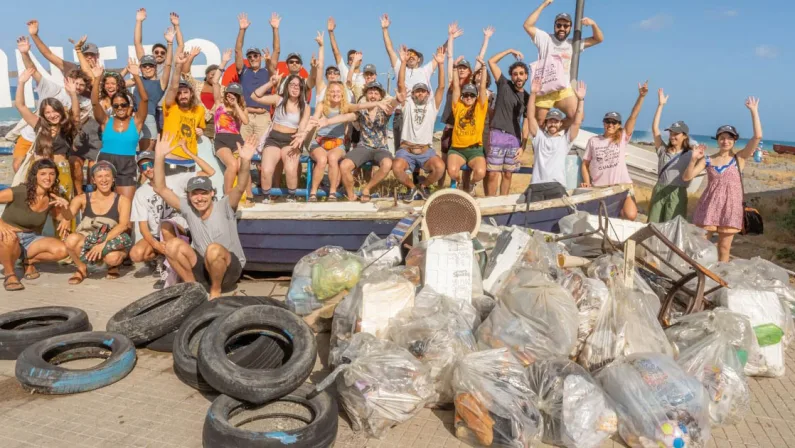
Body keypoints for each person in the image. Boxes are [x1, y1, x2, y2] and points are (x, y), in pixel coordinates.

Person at [153, 133, 253, 299]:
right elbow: (161, 188)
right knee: (171, 245)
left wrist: (245, 161)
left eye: (204, 193)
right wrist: (159, 157)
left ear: (212, 193)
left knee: (213, 249)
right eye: (195, 194)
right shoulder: (188, 208)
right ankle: (193, 290)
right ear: (189, 196)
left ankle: (215, 292)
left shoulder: (225, 205)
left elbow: (241, 184)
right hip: (202, 268)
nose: (199, 198)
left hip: (229, 270)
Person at [684, 98, 763, 262]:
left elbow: (757, 136)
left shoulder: (739, 158)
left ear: (734, 141)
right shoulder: (707, 159)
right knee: (700, 245)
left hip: (731, 207)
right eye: (722, 137)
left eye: (729, 138)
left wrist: (754, 111)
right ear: (718, 139)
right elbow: (687, 177)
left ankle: (720, 280)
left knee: (724, 248)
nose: (725, 141)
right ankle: (696, 277)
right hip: (709, 205)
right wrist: (693, 159)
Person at [129, 147, 215, 287]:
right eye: (143, 167)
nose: (148, 169)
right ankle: (161, 260)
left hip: (181, 230)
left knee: (166, 225)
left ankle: (170, 271)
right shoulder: (141, 192)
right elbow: (143, 227)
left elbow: (209, 172)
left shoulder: (176, 179)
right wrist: (156, 244)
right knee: (136, 254)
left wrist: (189, 153)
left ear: (158, 164)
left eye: (151, 164)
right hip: (159, 236)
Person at [12, 36, 91, 175]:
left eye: (81, 85)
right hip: (32, 135)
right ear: (67, 80)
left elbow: (77, 118)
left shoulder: (82, 102)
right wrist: (24, 53)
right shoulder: (53, 88)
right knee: (19, 167)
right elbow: (33, 71)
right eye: (74, 82)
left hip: (57, 140)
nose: (77, 87)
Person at [316, 81, 400, 202]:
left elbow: (393, 103)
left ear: (380, 97)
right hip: (363, 147)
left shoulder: (385, 110)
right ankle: (351, 195)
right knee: (344, 166)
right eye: (370, 92)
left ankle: (367, 189)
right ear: (366, 95)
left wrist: (398, 99)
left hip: (381, 148)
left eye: (376, 93)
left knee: (387, 164)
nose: (373, 96)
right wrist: (327, 122)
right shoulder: (361, 112)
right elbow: (345, 117)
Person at [523, 0, 604, 123]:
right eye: (559, 25)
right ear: (554, 26)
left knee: (577, 117)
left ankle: (556, 133)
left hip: (563, 89)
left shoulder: (573, 43)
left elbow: (598, 39)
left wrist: (593, 24)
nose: (562, 28)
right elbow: (527, 25)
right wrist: (544, 5)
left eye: (565, 26)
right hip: (545, 87)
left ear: (570, 28)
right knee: (539, 121)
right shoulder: (545, 39)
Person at [14, 68, 80, 213]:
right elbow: (20, 105)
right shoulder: (38, 126)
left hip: (61, 172)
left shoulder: (66, 128)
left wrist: (73, 94)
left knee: (62, 209)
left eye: (55, 111)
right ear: (43, 114)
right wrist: (21, 83)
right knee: (37, 208)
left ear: (61, 111)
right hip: (39, 173)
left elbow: (75, 115)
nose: (52, 115)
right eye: (47, 112)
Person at [581, 81, 648, 221]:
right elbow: (585, 164)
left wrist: (641, 97)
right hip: (600, 188)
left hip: (622, 187)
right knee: (602, 219)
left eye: (614, 122)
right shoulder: (593, 141)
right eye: (608, 121)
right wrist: (587, 183)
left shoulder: (622, 138)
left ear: (619, 125)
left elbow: (633, 116)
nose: (610, 124)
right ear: (603, 123)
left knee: (630, 214)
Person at [0, 159, 71, 291]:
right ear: (35, 176)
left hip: (31, 239)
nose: (48, 178)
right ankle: (10, 274)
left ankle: (29, 261)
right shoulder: (20, 191)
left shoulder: (52, 198)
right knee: (11, 238)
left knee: (64, 250)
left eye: (52, 174)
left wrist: (65, 207)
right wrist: (0, 224)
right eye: (43, 174)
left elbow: (64, 219)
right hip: (7, 238)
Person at [62, 161, 133, 284]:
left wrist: (102, 243)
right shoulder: (82, 198)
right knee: (71, 240)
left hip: (110, 240)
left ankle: (113, 266)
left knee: (113, 258)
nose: (104, 180)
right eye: (100, 176)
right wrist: (63, 207)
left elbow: (123, 225)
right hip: (88, 238)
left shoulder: (123, 200)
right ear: (93, 180)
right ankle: (82, 268)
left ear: (113, 179)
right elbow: (68, 216)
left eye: (107, 176)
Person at [392, 45, 446, 202]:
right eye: (417, 91)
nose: (420, 93)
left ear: (428, 93)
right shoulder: (407, 104)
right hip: (406, 150)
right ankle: (411, 188)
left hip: (425, 151)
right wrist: (402, 62)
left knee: (440, 167)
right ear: (413, 93)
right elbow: (401, 84)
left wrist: (441, 64)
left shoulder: (432, 106)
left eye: (423, 91)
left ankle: (423, 187)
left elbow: (441, 87)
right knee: (396, 167)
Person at [91, 59, 148, 201]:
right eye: (116, 106)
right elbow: (94, 102)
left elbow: (145, 100)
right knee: (105, 206)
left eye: (123, 105)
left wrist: (136, 76)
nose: (120, 108)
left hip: (127, 164)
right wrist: (97, 78)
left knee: (126, 206)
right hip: (106, 162)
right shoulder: (106, 121)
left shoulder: (137, 122)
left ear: (129, 106)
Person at [380, 13, 440, 150]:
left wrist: (450, 38)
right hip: (402, 113)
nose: (411, 56)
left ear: (419, 59)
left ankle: (417, 172)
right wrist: (385, 30)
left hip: (421, 113)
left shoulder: (425, 70)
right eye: (409, 54)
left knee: (420, 148)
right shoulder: (399, 67)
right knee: (400, 148)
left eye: (414, 55)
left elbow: (440, 55)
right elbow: (389, 49)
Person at [250, 73, 311, 203]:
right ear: (287, 86)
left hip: (292, 139)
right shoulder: (278, 99)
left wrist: (300, 138)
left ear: (302, 89)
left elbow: (302, 126)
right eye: (292, 85)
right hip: (274, 138)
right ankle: (266, 196)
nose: (295, 88)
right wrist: (271, 83)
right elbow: (254, 96)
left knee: (290, 169)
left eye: (298, 86)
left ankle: (291, 196)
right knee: (266, 170)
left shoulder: (305, 106)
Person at [525, 78, 586, 202]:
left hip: (556, 185)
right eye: (550, 121)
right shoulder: (539, 138)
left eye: (556, 121)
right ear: (546, 123)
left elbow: (577, 122)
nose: (553, 124)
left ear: (560, 124)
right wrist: (533, 94)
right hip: (536, 185)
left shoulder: (565, 140)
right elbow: (530, 116)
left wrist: (580, 100)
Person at [648, 88, 698, 223]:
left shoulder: (690, 154)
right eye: (671, 133)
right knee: (653, 224)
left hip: (678, 192)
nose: (672, 136)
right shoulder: (663, 150)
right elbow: (655, 129)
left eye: (676, 134)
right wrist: (660, 105)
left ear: (684, 136)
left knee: (673, 226)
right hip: (660, 189)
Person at [485, 48, 531, 196]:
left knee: (508, 174)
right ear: (511, 76)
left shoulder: (528, 98)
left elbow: (526, 123)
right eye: (515, 74)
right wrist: (509, 50)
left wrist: (523, 146)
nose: (518, 77)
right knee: (492, 173)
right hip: (497, 134)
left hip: (514, 138)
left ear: (526, 77)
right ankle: (490, 205)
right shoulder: (504, 84)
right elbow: (491, 61)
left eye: (521, 74)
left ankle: (502, 203)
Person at [446, 56, 490, 196]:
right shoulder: (458, 106)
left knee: (480, 172)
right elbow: (457, 87)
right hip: (457, 149)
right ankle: (459, 184)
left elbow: (482, 87)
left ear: (476, 97)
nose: (469, 97)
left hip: (475, 150)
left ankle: (471, 185)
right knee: (452, 171)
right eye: (466, 95)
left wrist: (484, 68)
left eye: (472, 95)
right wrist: (454, 68)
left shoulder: (480, 107)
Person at [235, 12, 278, 141]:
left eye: (255, 55)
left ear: (260, 57)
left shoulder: (268, 71)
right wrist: (242, 30)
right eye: (250, 56)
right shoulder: (244, 71)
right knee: (244, 150)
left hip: (263, 116)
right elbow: (238, 50)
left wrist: (275, 29)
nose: (253, 58)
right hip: (246, 115)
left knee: (263, 151)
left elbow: (277, 50)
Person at [162, 52, 206, 162]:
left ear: (191, 93)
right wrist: (178, 66)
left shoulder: (199, 110)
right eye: (179, 93)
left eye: (185, 92)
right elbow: (173, 87)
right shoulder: (170, 107)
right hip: (170, 156)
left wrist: (201, 131)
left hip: (190, 158)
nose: (182, 96)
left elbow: (201, 129)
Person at [211, 74, 250, 197]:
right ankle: (227, 195)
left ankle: (249, 195)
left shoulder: (241, 108)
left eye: (234, 94)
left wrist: (236, 105)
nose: (231, 96)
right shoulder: (219, 105)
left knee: (243, 166)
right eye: (229, 93)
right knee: (232, 165)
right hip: (221, 139)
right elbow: (215, 82)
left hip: (236, 139)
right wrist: (223, 64)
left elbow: (245, 121)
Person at [183, 48, 233, 141]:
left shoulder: (223, 89)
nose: (213, 76)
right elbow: (185, 74)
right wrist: (191, 57)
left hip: (215, 122)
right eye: (211, 74)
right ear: (206, 75)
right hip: (197, 120)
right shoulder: (197, 85)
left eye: (216, 74)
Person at [26, 19, 97, 79]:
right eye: (86, 55)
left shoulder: (104, 75)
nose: (89, 57)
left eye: (92, 54)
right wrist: (34, 36)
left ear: (97, 56)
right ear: (81, 56)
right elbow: (48, 54)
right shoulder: (73, 69)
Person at [133, 52, 172, 151]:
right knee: (131, 152)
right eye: (144, 66)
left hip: (149, 118)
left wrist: (170, 43)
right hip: (133, 118)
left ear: (155, 68)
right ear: (140, 68)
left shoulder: (161, 83)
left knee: (146, 155)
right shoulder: (137, 79)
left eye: (151, 65)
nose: (147, 68)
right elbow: (118, 82)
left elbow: (168, 65)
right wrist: (129, 70)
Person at [134, 8, 184, 78]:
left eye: (163, 53)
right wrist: (139, 21)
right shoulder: (146, 65)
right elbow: (137, 43)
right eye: (156, 52)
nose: (159, 54)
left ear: (167, 55)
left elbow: (180, 46)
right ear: (152, 53)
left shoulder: (171, 63)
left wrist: (176, 26)